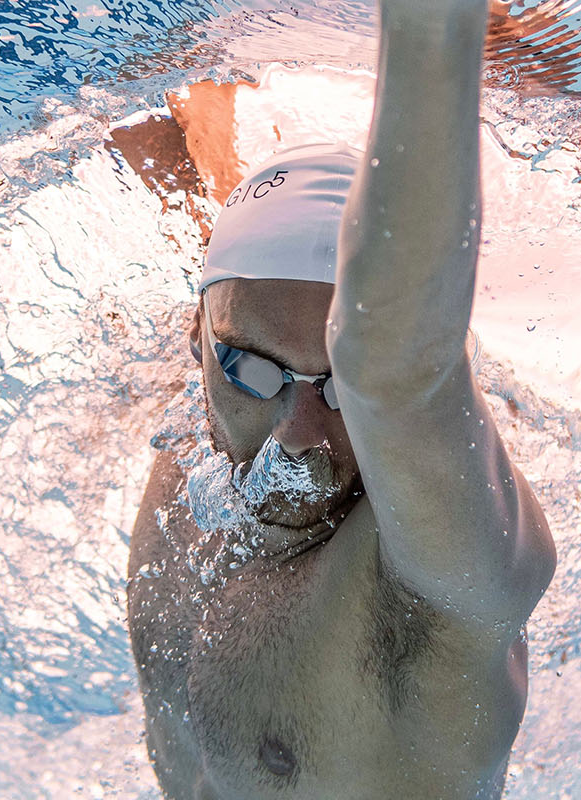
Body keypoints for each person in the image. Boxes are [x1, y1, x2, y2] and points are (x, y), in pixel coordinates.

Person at [126, 1, 557, 797]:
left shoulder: (442, 585)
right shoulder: (196, 446)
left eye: (340, 390)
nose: (298, 435)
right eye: (253, 369)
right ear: (199, 340)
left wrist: (435, 30)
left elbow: (400, 377)